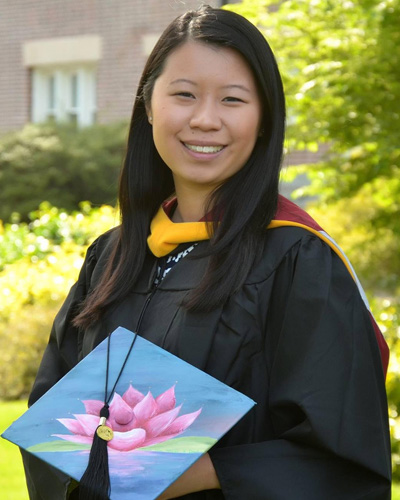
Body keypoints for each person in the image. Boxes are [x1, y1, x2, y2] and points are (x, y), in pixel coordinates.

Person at [22, 5, 391, 499]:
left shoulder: (297, 260)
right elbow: (49, 421)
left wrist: (195, 473)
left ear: (264, 119)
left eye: (233, 100)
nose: (205, 119)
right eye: (184, 95)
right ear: (149, 106)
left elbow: (342, 458)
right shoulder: (110, 257)